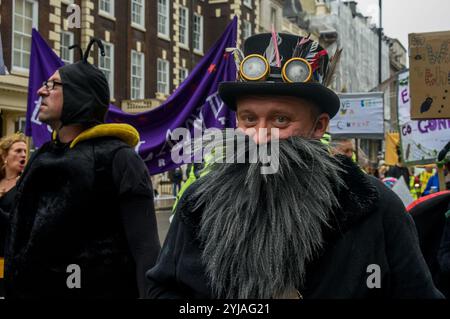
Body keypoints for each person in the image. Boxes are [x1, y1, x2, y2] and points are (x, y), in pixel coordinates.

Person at [146, 33, 442, 298]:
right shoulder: (199, 202)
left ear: (318, 126)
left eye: (280, 120)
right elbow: (162, 287)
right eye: (249, 119)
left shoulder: (372, 206)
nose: (260, 136)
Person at [4, 39, 160, 298]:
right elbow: (19, 228)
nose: (41, 91)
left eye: (52, 85)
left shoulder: (120, 159)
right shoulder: (41, 157)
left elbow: (146, 252)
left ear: (80, 94)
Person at [0, 133, 27, 297]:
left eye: (25, 151)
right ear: (4, 156)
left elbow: (17, 222)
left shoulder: (25, 185)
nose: (23, 155)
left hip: (9, 259)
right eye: (18, 151)